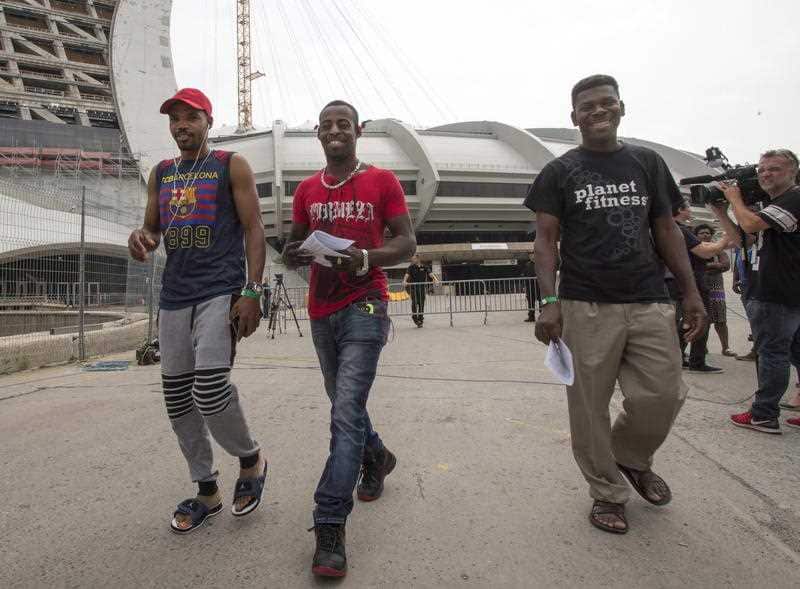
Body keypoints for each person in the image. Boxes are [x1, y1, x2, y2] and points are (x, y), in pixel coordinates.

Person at [527, 75, 707, 535]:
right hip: (584, 302)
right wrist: (549, 301)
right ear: (574, 117)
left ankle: (630, 457)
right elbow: (545, 241)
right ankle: (607, 491)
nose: (598, 111)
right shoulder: (559, 172)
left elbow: (666, 229)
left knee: (664, 394)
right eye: (587, 106)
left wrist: (691, 292)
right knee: (589, 406)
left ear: (622, 108)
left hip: (649, 298)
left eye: (607, 103)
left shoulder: (647, 162)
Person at [283, 100, 416, 577]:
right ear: (318, 134)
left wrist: (363, 258)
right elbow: (293, 245)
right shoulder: (306, 189)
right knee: (346, 404)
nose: (334, 130)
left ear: (357, 131)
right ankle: (376, 455)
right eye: (326, 125)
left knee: (343, 410)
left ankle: (330, 521)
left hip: (366, 303)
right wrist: (295, 253)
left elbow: (406, 242)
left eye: (343, 124)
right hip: (322, 310)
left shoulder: (382, 181)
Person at [127, 88, 268, 534]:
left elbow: (254, 228)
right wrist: (142, 240)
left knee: (208, 390)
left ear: (208, 120)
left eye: (191, 117)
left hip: (219, 291)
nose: (181, 125)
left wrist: (253, 291)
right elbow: (152, 230)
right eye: (175, 119)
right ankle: (207, 490)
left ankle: (251, 460)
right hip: (174, 297)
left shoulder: (230, 165)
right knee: (177, 398)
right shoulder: (162, 173)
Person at [709, 148, 800, 434]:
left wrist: (734, 198)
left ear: (793, 172)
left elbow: (750, 223)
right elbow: (743, 240)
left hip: (777, 291)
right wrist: (720, 211)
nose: (765, 174)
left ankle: (764, 414)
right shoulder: (773, 206)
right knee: (795, 353)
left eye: (774, 169)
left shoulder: (794, 198)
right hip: (781, 290)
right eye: (762, 169)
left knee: (772, 352)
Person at [669, 204, 730, 373]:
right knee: (701, 320)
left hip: (685, 282)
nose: (690, 210)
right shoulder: (680, 230)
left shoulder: (672, 229)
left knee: (688, 321)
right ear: (679, 210)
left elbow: (722, 260)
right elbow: (707, 252)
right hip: (693, 283)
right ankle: (696, 361)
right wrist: (726, 235)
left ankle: (681, 357)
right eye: (686, 207)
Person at [694, 224, 735, 356]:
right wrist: (715, 266)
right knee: (701, 320)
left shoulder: (718, 249)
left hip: (716, 290)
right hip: (698, 289)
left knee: (721, 319)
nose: (705, 235)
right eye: (702, 233)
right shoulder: (694, 249)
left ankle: (725, 347)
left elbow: (726, 265)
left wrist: (706, 266)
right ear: (696, 235)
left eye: (707, 233)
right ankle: (701, 348)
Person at [402, 254, 438, 327]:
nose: (412, 260)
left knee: (421, 304)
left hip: (422, 288)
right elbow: (407, 275)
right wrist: (404, 281)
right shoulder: (411, 267)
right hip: (413, 288)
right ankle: (415, 318)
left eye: (414, 259)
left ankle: (420, 320)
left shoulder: (424, 267)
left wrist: (435, 279)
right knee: (414, 303)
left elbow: (430, 274)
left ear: (418, 259)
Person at [522, 252, 539, 322]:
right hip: (530, 286)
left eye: (533, 255)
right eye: (530, 256)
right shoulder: (527, 264)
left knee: (542, 301)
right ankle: (531, 317)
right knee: (531, 301)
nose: (532, 257)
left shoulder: (541, 263)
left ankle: (543, 315)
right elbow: (525, 275)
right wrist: (524, 286)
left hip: (540, 286)